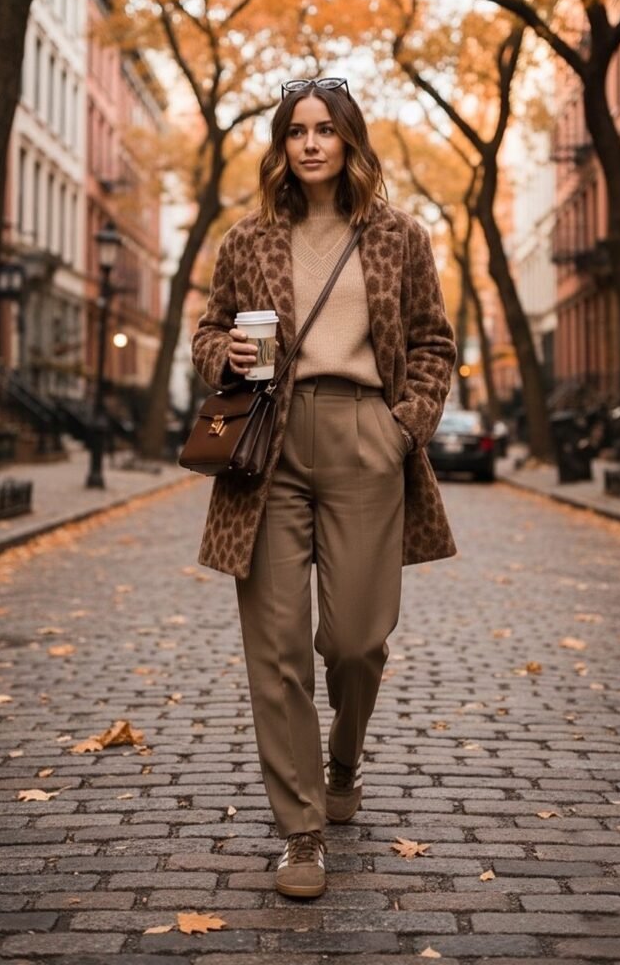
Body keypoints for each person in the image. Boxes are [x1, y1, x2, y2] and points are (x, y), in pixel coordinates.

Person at [190, 77, 457, 899]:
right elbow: (207, 330)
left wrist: (401, 425)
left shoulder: (398, 236)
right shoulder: (247, 240)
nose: (310, 144)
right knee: (275, 649)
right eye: (296, 131)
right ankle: (301, 831)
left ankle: (346, 754)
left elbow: (434, 343)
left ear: (349, 142)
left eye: (325, 131)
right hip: (266, 445)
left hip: (364, 438)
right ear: (281, 145)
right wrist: (220, 356)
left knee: (354, 640)